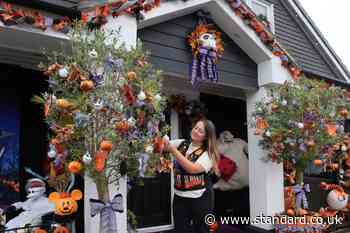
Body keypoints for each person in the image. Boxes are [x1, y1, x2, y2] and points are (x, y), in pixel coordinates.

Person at [164, 118, 220, 233]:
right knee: (180, 229)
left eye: (200, 131)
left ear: (206, 137)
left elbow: (192, 169)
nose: (196, 131)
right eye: (196, 128)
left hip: (200, 198)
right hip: (180, 197)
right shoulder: (182, 143)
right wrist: (162, 139)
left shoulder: (208, 153)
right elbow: (164, 146)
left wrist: (174, 151)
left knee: (202, 230)